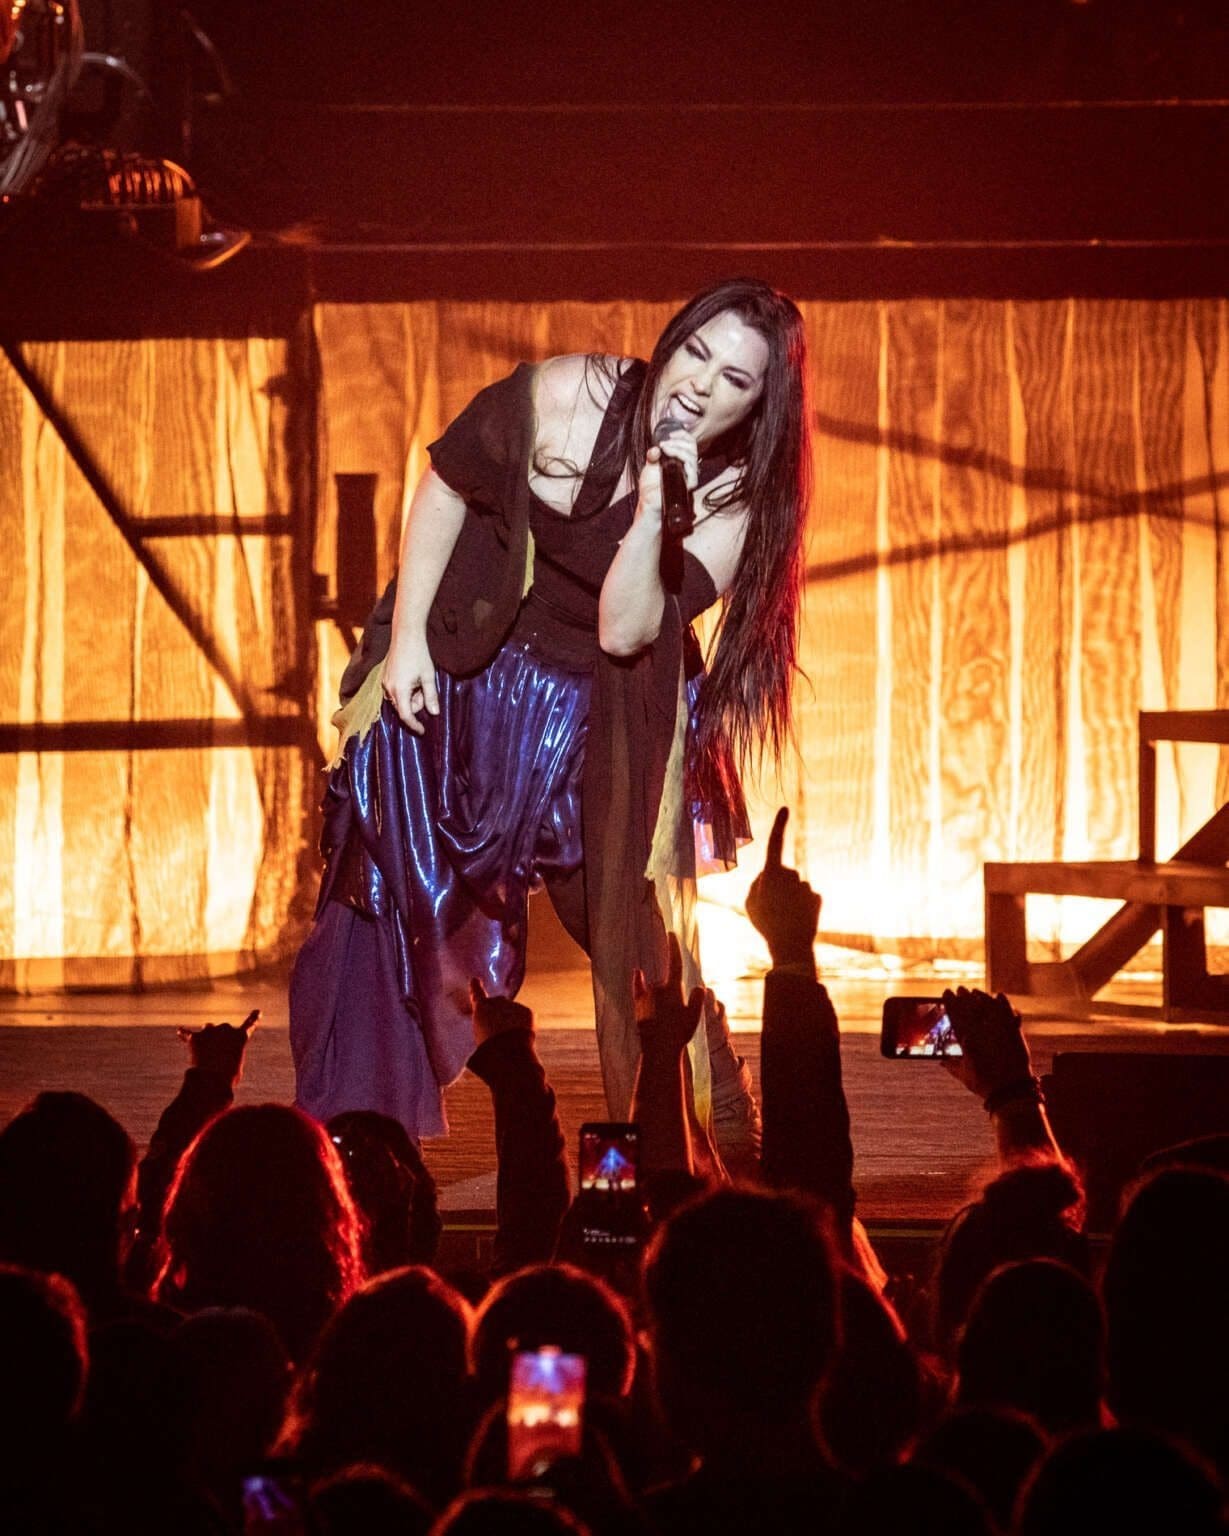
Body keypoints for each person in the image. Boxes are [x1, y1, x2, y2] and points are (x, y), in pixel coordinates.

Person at [291, 277, 811, 1139]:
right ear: (670, 342)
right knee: (381, 873)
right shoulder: (574, 391)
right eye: (695, 353)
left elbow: (624, 629)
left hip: (602, 708)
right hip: (471, 661)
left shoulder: (732, 504)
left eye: (734, 379)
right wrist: (407, 638)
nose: (698, 384)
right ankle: (356, 1126)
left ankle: (709, 1116)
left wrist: (656, 509)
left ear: (759, 407)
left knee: (625, 932)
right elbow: (449, 483)